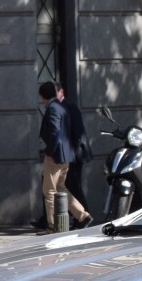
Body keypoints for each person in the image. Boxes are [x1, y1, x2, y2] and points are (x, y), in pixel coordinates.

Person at [37, 80, 92, 231]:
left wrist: (49, 151)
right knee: (61, 189)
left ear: (43, 96)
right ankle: (83, 216)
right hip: (66, 155)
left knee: (49, 191)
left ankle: (52, 224)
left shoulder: (53, 108)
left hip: (56, 156)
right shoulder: (62, 107)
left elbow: (55, 133)